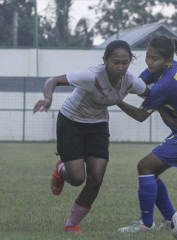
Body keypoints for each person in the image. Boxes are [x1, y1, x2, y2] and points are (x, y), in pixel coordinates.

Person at [33, 40, 151, 233]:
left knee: (96, 178)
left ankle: (71, 224)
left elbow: (151, 95)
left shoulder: (130, 80)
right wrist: (48, 98)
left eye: (125, 62)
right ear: (104, 60)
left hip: (98, 124)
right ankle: (61, 169)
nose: (120, 67)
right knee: (77, 178)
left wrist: (173, 110)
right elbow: (52, 80)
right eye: (115, 62)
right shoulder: (91, 76)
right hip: (71, 121)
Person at [117, 35, 177, 232]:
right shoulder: (167, 68)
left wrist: (115, 100)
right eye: (147, 57)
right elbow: (139, 85)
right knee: (149, 172)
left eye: (154, 59)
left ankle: (146, 224)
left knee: (144, 166)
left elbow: (140, 115)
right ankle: (171, 219)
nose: (149, 62)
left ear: (167, 60)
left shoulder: (166, 82)